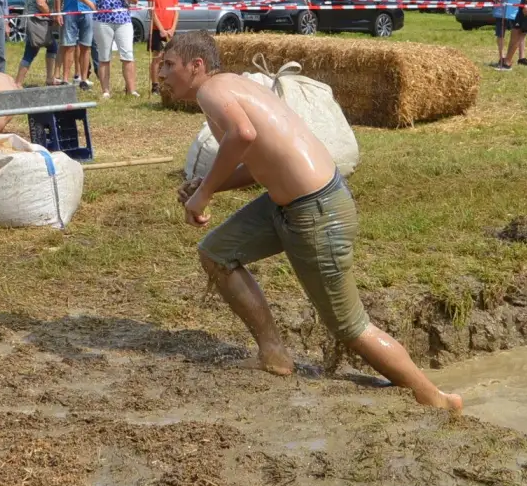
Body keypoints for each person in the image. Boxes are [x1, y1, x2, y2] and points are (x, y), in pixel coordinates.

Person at [158, 31, 461, 411]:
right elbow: (259, 163)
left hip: (317, 212)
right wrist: (210, 185)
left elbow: (243, 134)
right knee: (217, 251)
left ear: (196, 66)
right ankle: (274, 355)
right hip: (292, 205)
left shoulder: (211, 91)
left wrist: (202, 195)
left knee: (351, 327)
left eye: (169, 64)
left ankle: (434, 398)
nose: (161, 73)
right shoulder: (231, 86)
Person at [73, 0, 139, 98]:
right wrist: (90, 4)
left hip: (123, 20)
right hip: (103, 21)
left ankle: (131, 89)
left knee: (127, 54)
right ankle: (105, 91)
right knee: (104, 56)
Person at [16, 0, 59, 87]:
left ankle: (50, 78)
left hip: (32, 21)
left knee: (52, 47)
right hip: (38, 23)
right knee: (31, 52)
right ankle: (18, 82)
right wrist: (50, 15)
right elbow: (40, 2)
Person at [146, 0, 181, 94]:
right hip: (157, 29)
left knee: (171, 57)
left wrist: (172, 28)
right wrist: (161, 28)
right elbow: (152, 12)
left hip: (170, 29)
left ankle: (169, 82)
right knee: (157, 57)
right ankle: (155, 86)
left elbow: (176, 11)